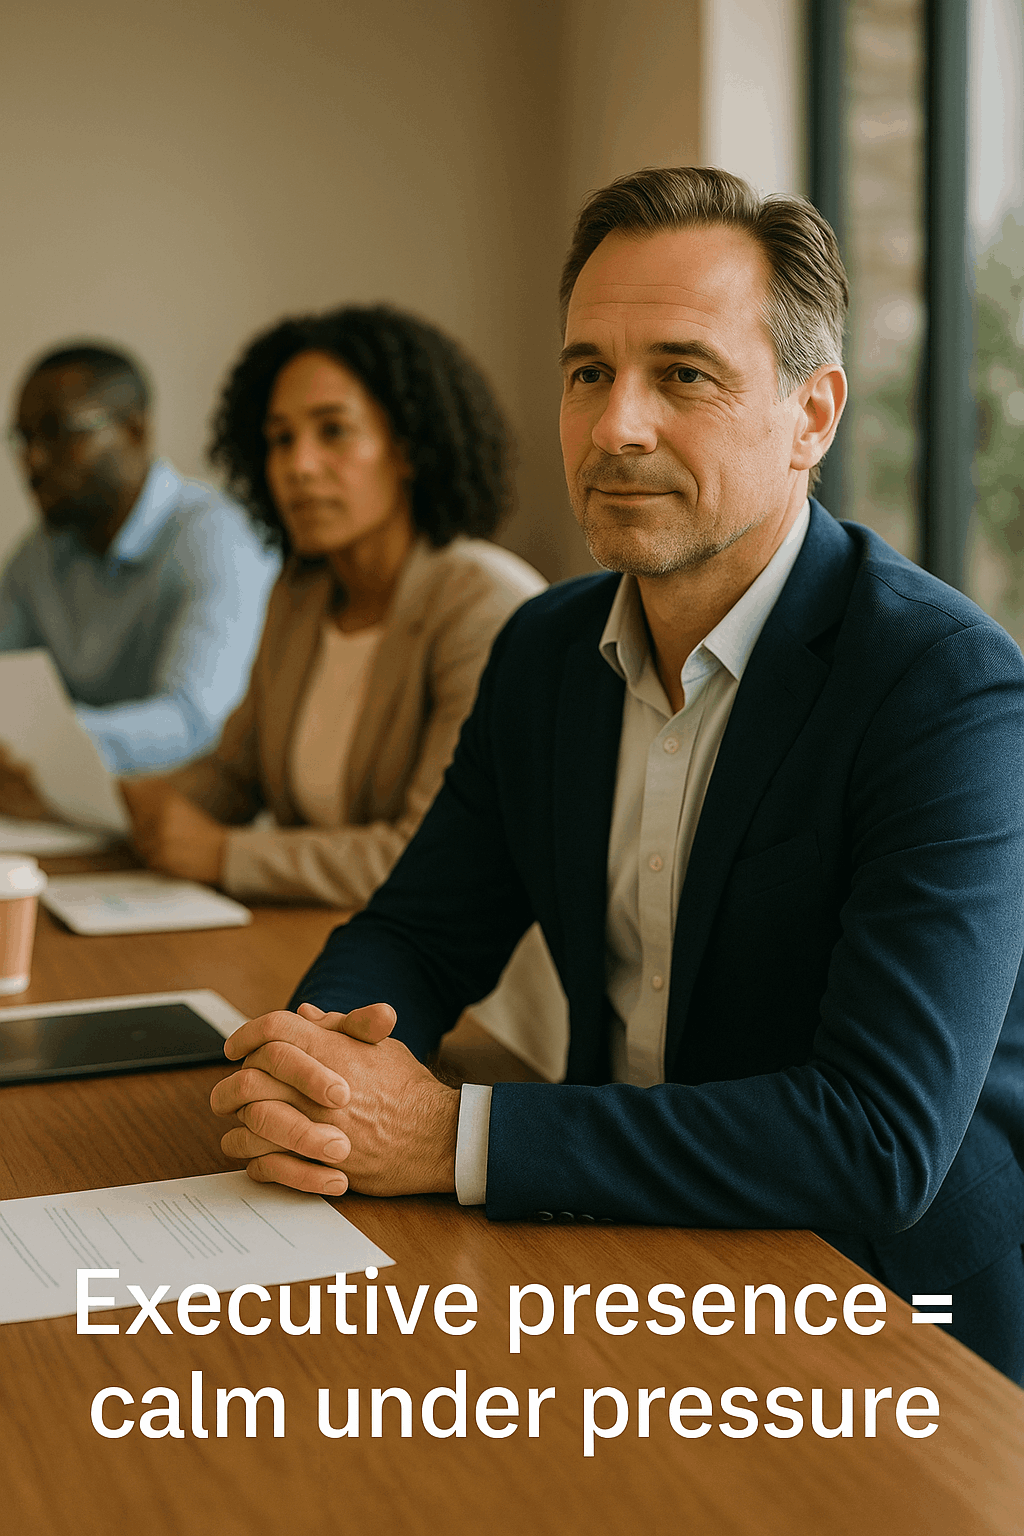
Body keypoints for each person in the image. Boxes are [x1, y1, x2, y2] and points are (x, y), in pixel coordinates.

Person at [209, 169, 1024, 1381]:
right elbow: (423, 933)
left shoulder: (945, 687)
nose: (613, 427)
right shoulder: (544, 648)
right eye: (587, 371)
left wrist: (449, 1134)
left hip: (878, 1316)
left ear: (812, 416)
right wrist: (320, 1066)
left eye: (682, 374)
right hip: (618, 1261)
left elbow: (877, 1139)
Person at [121, 306, 546, 907]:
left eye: (333, 431)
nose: (299, 466)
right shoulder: (300, 594)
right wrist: (121, 799)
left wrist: (224, 855)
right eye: (280, 439)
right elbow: (234, 775)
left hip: (462, 984)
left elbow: (434, 856)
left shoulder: (486, 605)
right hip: (319, 936)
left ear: (407, 449)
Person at [0, 344, 279, 780]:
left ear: (134, 430)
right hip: (67, 810)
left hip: (179, 816)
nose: (32, 460)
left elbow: (197, 724)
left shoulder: (216, 539)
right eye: (23, 437)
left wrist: (43, 745)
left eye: (58, 432)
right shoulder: (37, 556)